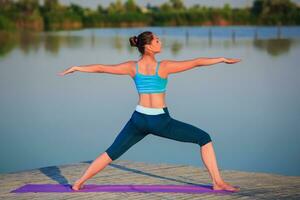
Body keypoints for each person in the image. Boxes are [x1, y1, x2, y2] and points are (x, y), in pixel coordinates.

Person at [58, 31, 241, 192]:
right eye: (157, 40)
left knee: (111, 152)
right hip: (160, 121)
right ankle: (217, 182)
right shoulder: (164, 66)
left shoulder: (132, 67)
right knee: (204, 138)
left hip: (138, 119)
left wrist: (76, 68)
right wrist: (222, 59)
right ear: (148, 46)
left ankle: (79, 182)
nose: (160, 42)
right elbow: (196, 63)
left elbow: (101, 68)